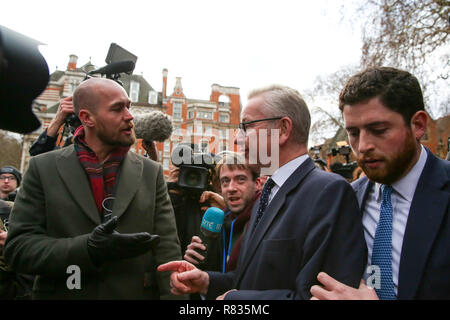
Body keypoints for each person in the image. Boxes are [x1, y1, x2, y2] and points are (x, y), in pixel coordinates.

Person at [158, 84, 366, 300]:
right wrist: (206, 281)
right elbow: (249, 279)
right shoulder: (267, 196)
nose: (238, 138)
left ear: (283, 130)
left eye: (247, 126)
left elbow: (317, 295)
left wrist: (233, 301)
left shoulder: (328, 192)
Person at [4, 78, 182, 299]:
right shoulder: (43, 168)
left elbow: (168, 253)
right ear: (87, 118)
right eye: (117, 109)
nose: (129, 116)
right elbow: (18, 249)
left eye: (128, 106)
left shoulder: (151, 173)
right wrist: (87, 249)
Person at [310, 67, 450, 300]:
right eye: (354, 133)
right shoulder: (346, 200)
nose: (363, 146)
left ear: (418, 125)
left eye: (379, 130)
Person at [184, 152, 262, 273]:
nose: (231, 188)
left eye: (240, 179)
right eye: (225, 181)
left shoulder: (266, 223)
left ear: (257, 184)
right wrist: (196, 264)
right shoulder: (219, 223)